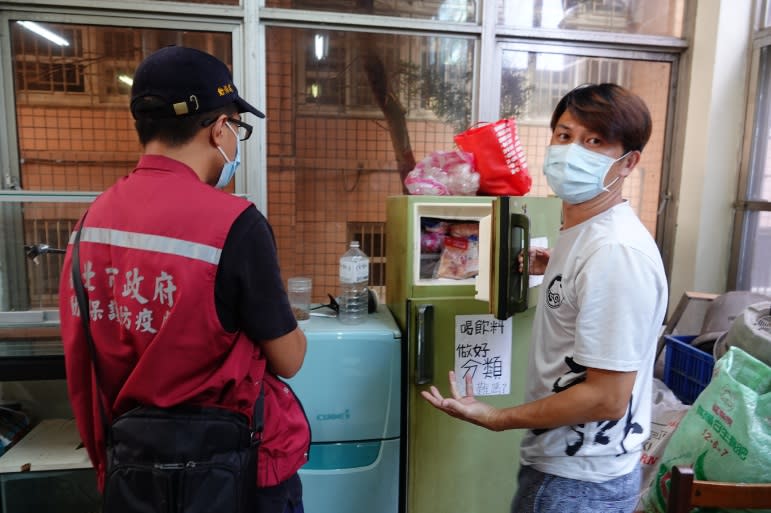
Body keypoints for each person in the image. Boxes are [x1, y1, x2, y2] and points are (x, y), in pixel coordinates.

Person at [58, 45, 309, 513]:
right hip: (236, 474)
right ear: (219, 128)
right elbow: (289, 359)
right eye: (238, 128)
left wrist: (108, 465)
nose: (235, 141)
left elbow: (81, 363)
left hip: (134, 471)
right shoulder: (236, 223)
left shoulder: (89, 224)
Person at [422, 83, 668, 513]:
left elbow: (606, 397)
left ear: (629, 163)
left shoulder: (613, 253)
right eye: (565, 135)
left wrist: (497, 418)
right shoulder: (588, 238)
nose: (572, 151)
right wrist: (559, 268)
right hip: (563, 470)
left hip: (577, 483)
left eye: (595, 142)